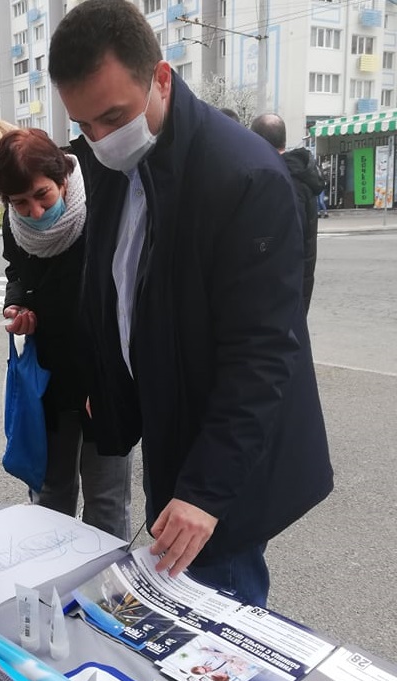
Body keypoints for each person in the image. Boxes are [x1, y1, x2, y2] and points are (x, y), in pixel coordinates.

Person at [48, 0, 333, 606]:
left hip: (223, 453)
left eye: (113, 116)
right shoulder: (112, 160)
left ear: (162, 77)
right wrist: (109, 378)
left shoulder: (243, 176)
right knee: (171, 608)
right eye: (85, 125)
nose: (100, 138)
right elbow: (116, 284)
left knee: (218, 619)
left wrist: (205, 490)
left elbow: (262, 354)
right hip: (168, 416)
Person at [0, 127, 133, 541]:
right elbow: (17, 270)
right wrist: (16, 305)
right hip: (50, 377)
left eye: (43, 196)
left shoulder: (102, 205)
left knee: (106, 501)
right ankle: (51, 594)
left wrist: (103, 381)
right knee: (51, 496)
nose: (34, 212)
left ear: (63, 179)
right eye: (20, 202)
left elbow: (123, 295)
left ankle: (106, 594)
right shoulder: (13, 224)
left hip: (106, 374)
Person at [250, 113, 325, 313]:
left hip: (285, 294)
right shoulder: (297, 173)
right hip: (298, 285)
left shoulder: (283, 180)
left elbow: (282, 245)